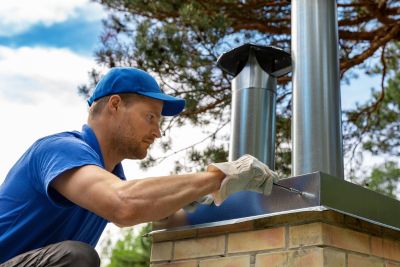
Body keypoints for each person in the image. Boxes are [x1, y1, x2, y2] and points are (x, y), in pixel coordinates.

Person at [0, 67, 276, 266]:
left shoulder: (110, 177)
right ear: (116, 105)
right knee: (77, 256)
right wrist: (218, 177)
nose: (158, 132)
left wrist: (215, 203)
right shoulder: (60, 149)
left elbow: (162, 216)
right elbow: (124, 204)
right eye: (151, 117)